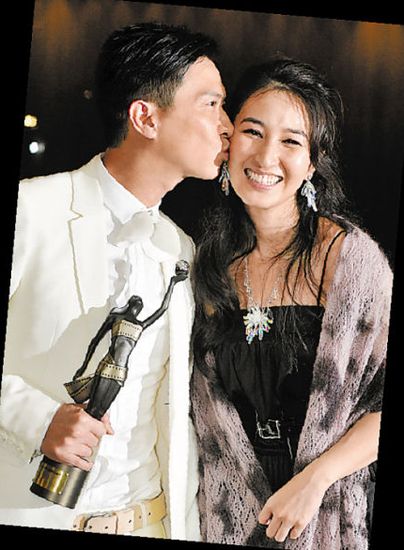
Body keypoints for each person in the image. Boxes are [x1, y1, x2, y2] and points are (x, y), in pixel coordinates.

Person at [0, 21, 232, 539]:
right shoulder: (32, 210)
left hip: (152, 521)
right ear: (145, 116)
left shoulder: (181, 250)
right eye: (212, 104)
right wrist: (34, 419)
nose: (228, 126)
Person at [190, 56, 393, 549]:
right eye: (252, 132)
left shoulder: (349, 260)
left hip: (325, 517)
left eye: (291, 141)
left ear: (311, 164)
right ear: (228, 139)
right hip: (227, 519)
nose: (266, 157)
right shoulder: (207, 264)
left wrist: (315, 480)